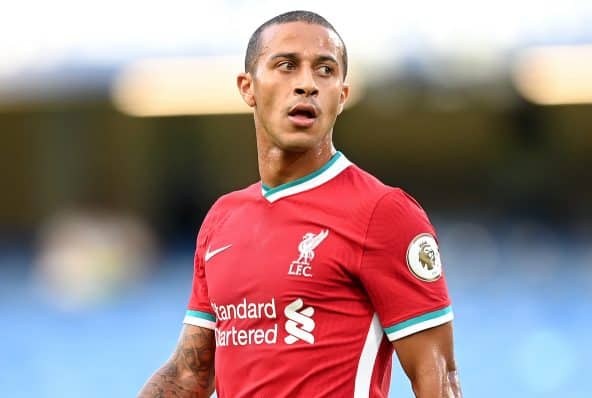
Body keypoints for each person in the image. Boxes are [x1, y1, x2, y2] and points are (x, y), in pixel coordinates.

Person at [138, 10, 462, 398]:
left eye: (324, 70)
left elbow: (437, 376)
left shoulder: (383, 213)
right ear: (248, 88)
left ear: (341, 96)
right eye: (287, 65)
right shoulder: (222, 219)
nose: (306, 84)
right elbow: (189, 375)